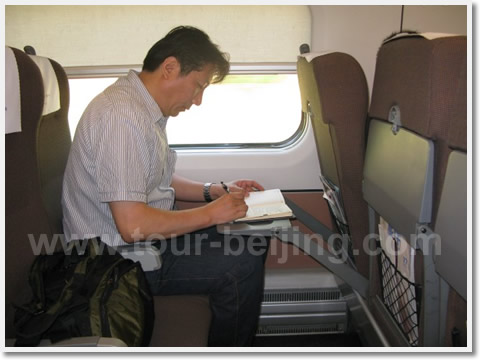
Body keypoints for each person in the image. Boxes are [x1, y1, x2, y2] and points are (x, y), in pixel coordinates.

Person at [61, 26, 268, 346]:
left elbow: (154, 179)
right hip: (118, 260)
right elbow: (133, 226)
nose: (197, 100)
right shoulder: (121, 117)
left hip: (144, 242)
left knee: (252, 231)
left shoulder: (142, 111)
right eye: (198, 86)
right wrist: (212, 214)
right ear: (170, 68)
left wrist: (212, 191)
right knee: (241, 263)